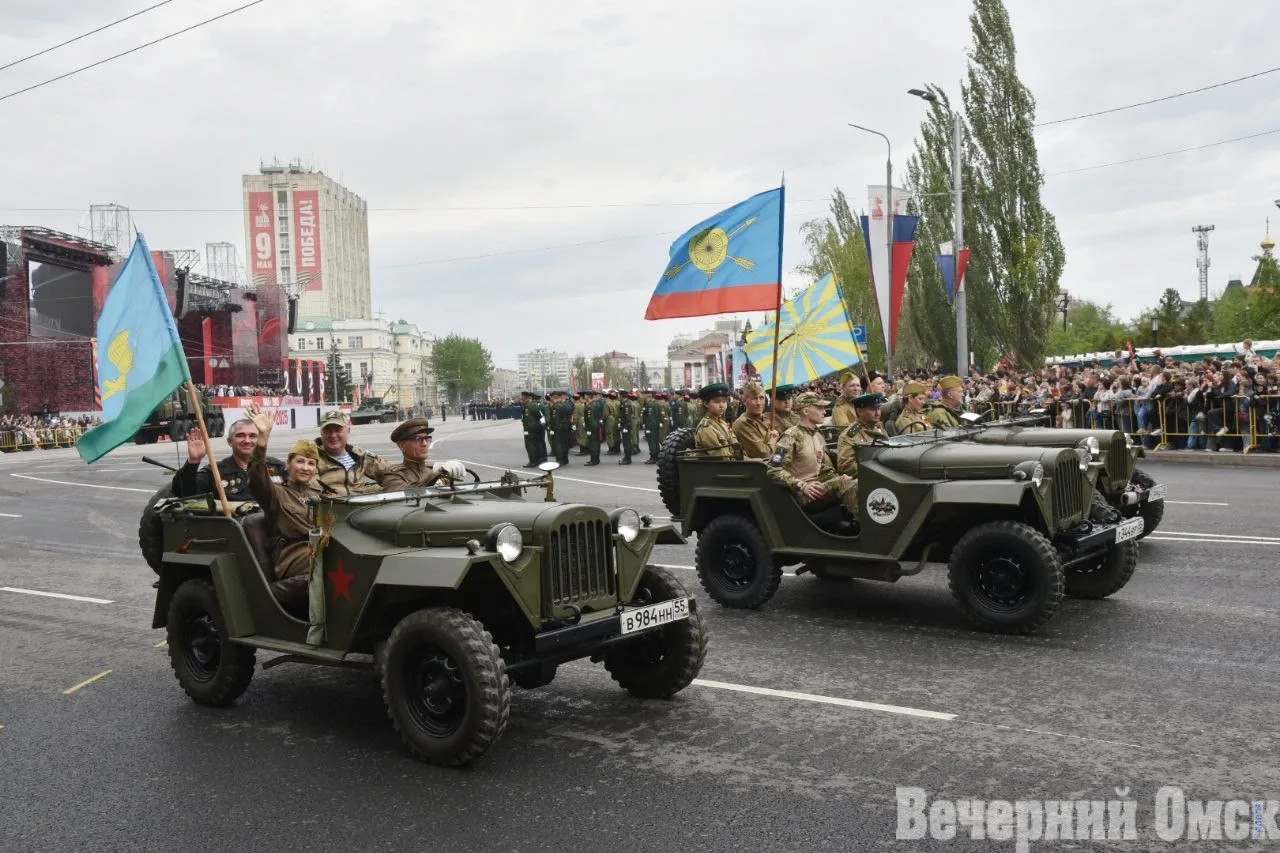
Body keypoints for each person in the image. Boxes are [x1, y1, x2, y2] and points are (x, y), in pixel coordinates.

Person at [244, 408, 324, 609]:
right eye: (300, 461)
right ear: (288, 464)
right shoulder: (276, 493)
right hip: (291, 554)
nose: (305, 468)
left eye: (311, 463)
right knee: (330, 563)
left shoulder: (319, 492)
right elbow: (256, 478)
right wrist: (262, 440)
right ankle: (266, 597)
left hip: (319, 548)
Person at [766, 391, 857, 516]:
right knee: (849, 484)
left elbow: (818, 465)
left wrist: (837, 476)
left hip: (818, 486)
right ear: (805, 411)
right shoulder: (792, 436)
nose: (824, 412)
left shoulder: (817, 434)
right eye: (819, 408)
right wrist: (802, 486)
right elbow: (773, 469)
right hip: (804, 494)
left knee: (856, 481)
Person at [173, 419, 285, 500]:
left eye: (252, 436)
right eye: (240, 435)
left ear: (260, 439)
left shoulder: (277, 467)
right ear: (230, 442)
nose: (247, 440)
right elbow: (183, 492)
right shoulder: (216, 472)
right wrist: (193, 462)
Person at [835, 393, 889, 514]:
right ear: (859, 411)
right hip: (866, 480)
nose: (878, 413)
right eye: (872, 409)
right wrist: (876, 472)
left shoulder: (878, 428)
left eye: (879, 408)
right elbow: (845, 466)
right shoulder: (850, 435)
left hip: (884, 476)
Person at [378, 418, 467, 491]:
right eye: (418, 439)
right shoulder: (394, 476)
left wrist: (450, 474)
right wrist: (435, 479)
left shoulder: (433, 471)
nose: (424, 444)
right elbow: (404, 499)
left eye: (427, 438)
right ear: (402, 446)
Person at [314, 409, 389, 495]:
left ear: (348, 431)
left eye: (338, 430)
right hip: (329, 505)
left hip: (360, 505)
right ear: (321, 432)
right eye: (328, 430)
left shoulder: (359, 455)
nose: (333, 435)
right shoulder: (311, 458)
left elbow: (390, 471)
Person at [731, 381, 779, 460]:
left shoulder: (764, 419)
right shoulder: (743, 424)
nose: (759, 403)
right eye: (754, 398)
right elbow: (764, 453)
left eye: (761, 398)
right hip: (756, 469)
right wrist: (773, 439)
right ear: (744, 400)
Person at [693, 383, 737, 458]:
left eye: (724, 401)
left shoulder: (722, 422)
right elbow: (720, 456)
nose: (722, 405)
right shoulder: (706, 428)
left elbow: (735, 445)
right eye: (717, 402)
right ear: (706, 404)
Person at [520, 391, 548, 468]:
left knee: (532, 446)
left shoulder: (533, 406)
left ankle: (534, 461)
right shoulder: (525, 406)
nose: (520, 397)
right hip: (527, 430)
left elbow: (541, 418)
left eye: (522, 396)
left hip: (533, 430)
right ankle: (534, 460)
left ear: (526, 397)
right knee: (529, 445)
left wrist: (538, 427)